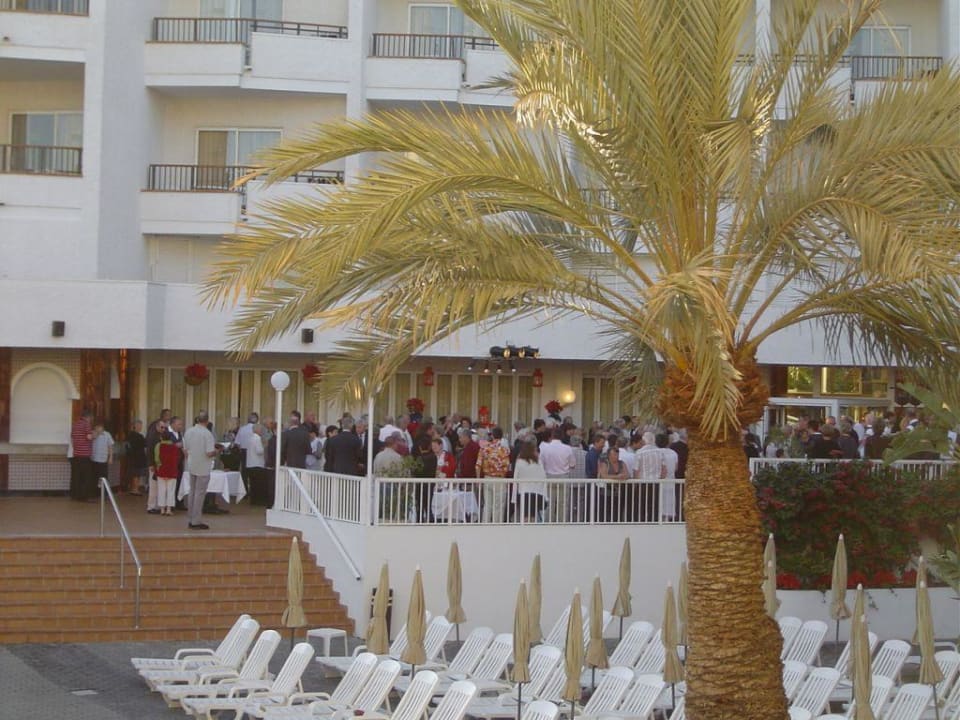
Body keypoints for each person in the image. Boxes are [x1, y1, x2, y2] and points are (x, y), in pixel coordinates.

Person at [183, 411, 217, 530]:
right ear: (207, 421)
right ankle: (196, 520)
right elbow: (209, 453)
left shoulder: (189, 431)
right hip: (203, 466)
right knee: (199, 493)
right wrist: (217, 451)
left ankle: (190, 517)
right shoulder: (207, 434)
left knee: (192, 491)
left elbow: (185, 450)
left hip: (192, 465)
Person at [539, 426, 576, 521]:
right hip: (563, 477)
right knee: (563, 503)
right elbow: (572, 464)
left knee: (549, 502)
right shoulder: (567, 448)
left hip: (549, 476)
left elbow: (541, 463)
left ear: (552, 436)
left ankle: (548, 522)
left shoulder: (545, 448)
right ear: (562, 436)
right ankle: (561, 522)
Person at [476, 426, 510, 523]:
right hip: (499, 479)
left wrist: (478, 479)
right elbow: (507, 466)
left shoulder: (484, 448)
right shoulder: (504, 450)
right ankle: (496, 525)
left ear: (492, 436)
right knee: (498, 505)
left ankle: (485, 524)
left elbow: (478, 465)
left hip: (487, 478)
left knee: (487, 504)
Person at [512, 438, 547, 522]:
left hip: (523, 492)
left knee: (525, 516)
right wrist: (545, 496)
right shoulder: (538, 462)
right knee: (533, 516)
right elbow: (543, 477)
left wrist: (514, 498)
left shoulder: (519, 462)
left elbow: (515, 479)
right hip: (537, 492)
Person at [597, 444, 628, 521]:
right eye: (614, 454)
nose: (616, 456)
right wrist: (617, 477)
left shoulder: (621, 463)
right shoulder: (605, 463)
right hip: (606, 493)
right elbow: (604, 475)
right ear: (609, 455)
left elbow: (626, 474)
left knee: (617, 512)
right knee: (605, 512)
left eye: (617, 454)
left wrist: (622, 476)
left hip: (619, 493)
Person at [69, 409, 95, 501]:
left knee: (76, 476)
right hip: (84, 455)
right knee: (86, 477)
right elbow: (89, 437)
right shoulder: (86, 424)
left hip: (76, 454)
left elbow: (72, 438)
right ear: (88, 417)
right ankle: (84, 496)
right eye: (91, 417)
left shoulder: (75, 424)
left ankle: (75, 495)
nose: (92, 419)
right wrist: (96, 434)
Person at [154, 430, 181, 516]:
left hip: (161, 470)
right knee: (171, 491)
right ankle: (169, 509)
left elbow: (156, 459)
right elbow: (177, 460)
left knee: (161, 490)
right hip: (172, 472)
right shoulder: (175, 447)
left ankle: (162, 509)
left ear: (161, 437)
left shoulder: (158, 446)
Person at [246, 424, 269, 507]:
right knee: (259, 484)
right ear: (258, 430)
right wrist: (265, 446)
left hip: (250, 464)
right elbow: (259, 451)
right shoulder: (257, 439)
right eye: (261, 429)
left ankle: (253, 500)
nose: (262, 431)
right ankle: (259, 501)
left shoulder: (250, 438)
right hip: (257, 464)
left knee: (253, 484)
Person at [90, 420, 114, 492]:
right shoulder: (92, 433)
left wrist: (110, 457)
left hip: (103, 460)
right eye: (97, 427)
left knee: (104, 477)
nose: (98, 428)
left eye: (100, 427)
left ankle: (104, 492)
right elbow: (91, 438)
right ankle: (94, 492)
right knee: (94, 476)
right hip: (94, 459)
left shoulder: (107, 434)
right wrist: (96, 433)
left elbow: (110, 446)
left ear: (103, 427)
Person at [126, 419, 147, 495]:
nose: (140, 427)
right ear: (135, 426)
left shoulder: (131, 435)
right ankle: (135, 489)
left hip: (135, 457)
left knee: (136, 474)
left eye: (141, 425)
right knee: (136, 474)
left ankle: (134, 488)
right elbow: (145, 444)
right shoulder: (137, 436)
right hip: (136, 457)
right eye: (139, 425)